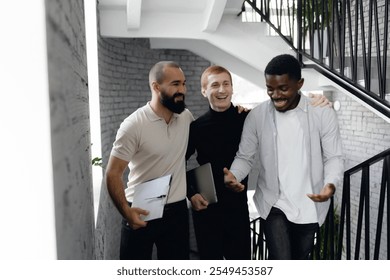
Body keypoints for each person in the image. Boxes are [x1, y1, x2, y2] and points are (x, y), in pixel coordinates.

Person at [187, 64, 333, 260]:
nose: (221, 90)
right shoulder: (196, 127)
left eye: (226, 84)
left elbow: (287, 109)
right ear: (204, 90)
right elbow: (177, 164)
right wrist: (191, 194)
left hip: (236, 210)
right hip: (206, 210)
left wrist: (319, 104)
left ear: (232, 88)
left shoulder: (248, 118)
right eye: (214, 85)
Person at [224, 54, 344, 260]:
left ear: (300, 84)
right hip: (274, 204)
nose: (276, 95)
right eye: (270, 89)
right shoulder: (257, 116)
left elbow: (334, 157)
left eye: (283, 88)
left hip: (310, 206)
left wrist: (330, 184)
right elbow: (245, 156)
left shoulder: (322, 113)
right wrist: (234, 175)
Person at [105, 61, 193, 260]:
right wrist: (127, 213)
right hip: (141, 208)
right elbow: (112, 174)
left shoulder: (186, 117)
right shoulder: (133, 125)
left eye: (184, 84)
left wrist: (238, 112)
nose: (182, 90)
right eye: (175, 84)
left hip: (177, 211)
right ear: (156, 86)